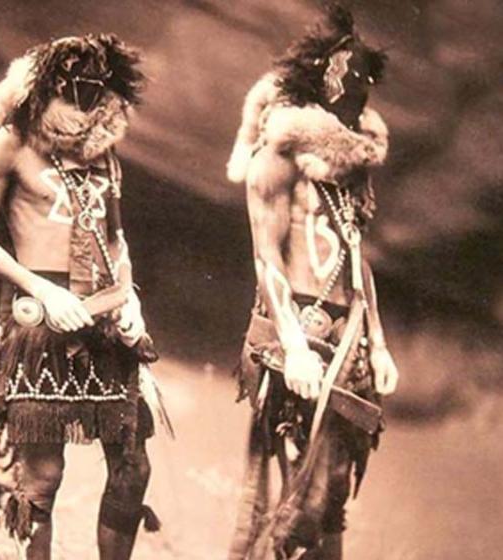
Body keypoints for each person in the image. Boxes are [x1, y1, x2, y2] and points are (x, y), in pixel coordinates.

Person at [0, 34, 160, 560]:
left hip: (106, 321)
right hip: (41, 326)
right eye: (74, 86)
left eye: (96, 88)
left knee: (132, 466)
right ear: (49, 85)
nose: (85, 98)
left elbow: (116, 238)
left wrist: (131, 300)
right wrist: (42, 290)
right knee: (43, 477)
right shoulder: (11, 142)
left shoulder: (104, 153)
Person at [224, 6, 400, 559]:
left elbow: (355, 256)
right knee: (302, 487)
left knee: (333, 491)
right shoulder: (277, 158)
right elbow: (266, 259)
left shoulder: (352, 166)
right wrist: (294, 346)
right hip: (297, 327)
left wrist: (378, 342)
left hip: (349, 336)